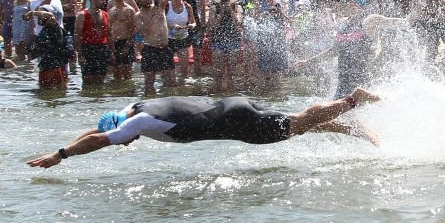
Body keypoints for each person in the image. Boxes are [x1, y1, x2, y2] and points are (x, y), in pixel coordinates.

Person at [27, 87, 382, 169]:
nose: (124, 144)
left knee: (299, 123)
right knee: (297, 122)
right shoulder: (132, 107)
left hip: (237, 122)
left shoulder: (139, 121)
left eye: (125, 140)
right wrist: (66, 144)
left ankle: (352, 101)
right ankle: (352, 128)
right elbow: (99, 129)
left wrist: (61, 155)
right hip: (233, 104)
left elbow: (102, 138)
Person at [74, 0, 111, 85]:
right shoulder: (82, 15)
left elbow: (109, 34)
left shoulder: (105, 14)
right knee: (88, 79)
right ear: (93, 0)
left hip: (102, 49)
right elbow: (77, 36)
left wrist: (112, 52)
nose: (104, 2)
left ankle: (99, 99)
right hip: (88, 48)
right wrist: (80, 55)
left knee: (100, 79)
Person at [108, 0, 137, 80]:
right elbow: (109, 29)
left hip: (125, 42)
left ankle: (129, 93)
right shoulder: (111, 10)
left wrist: (127, 46)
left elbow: (132, 29)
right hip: (114, 43)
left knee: (127, 74)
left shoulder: (129, 10)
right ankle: (118, 93)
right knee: (116, 74)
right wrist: (110, 47)